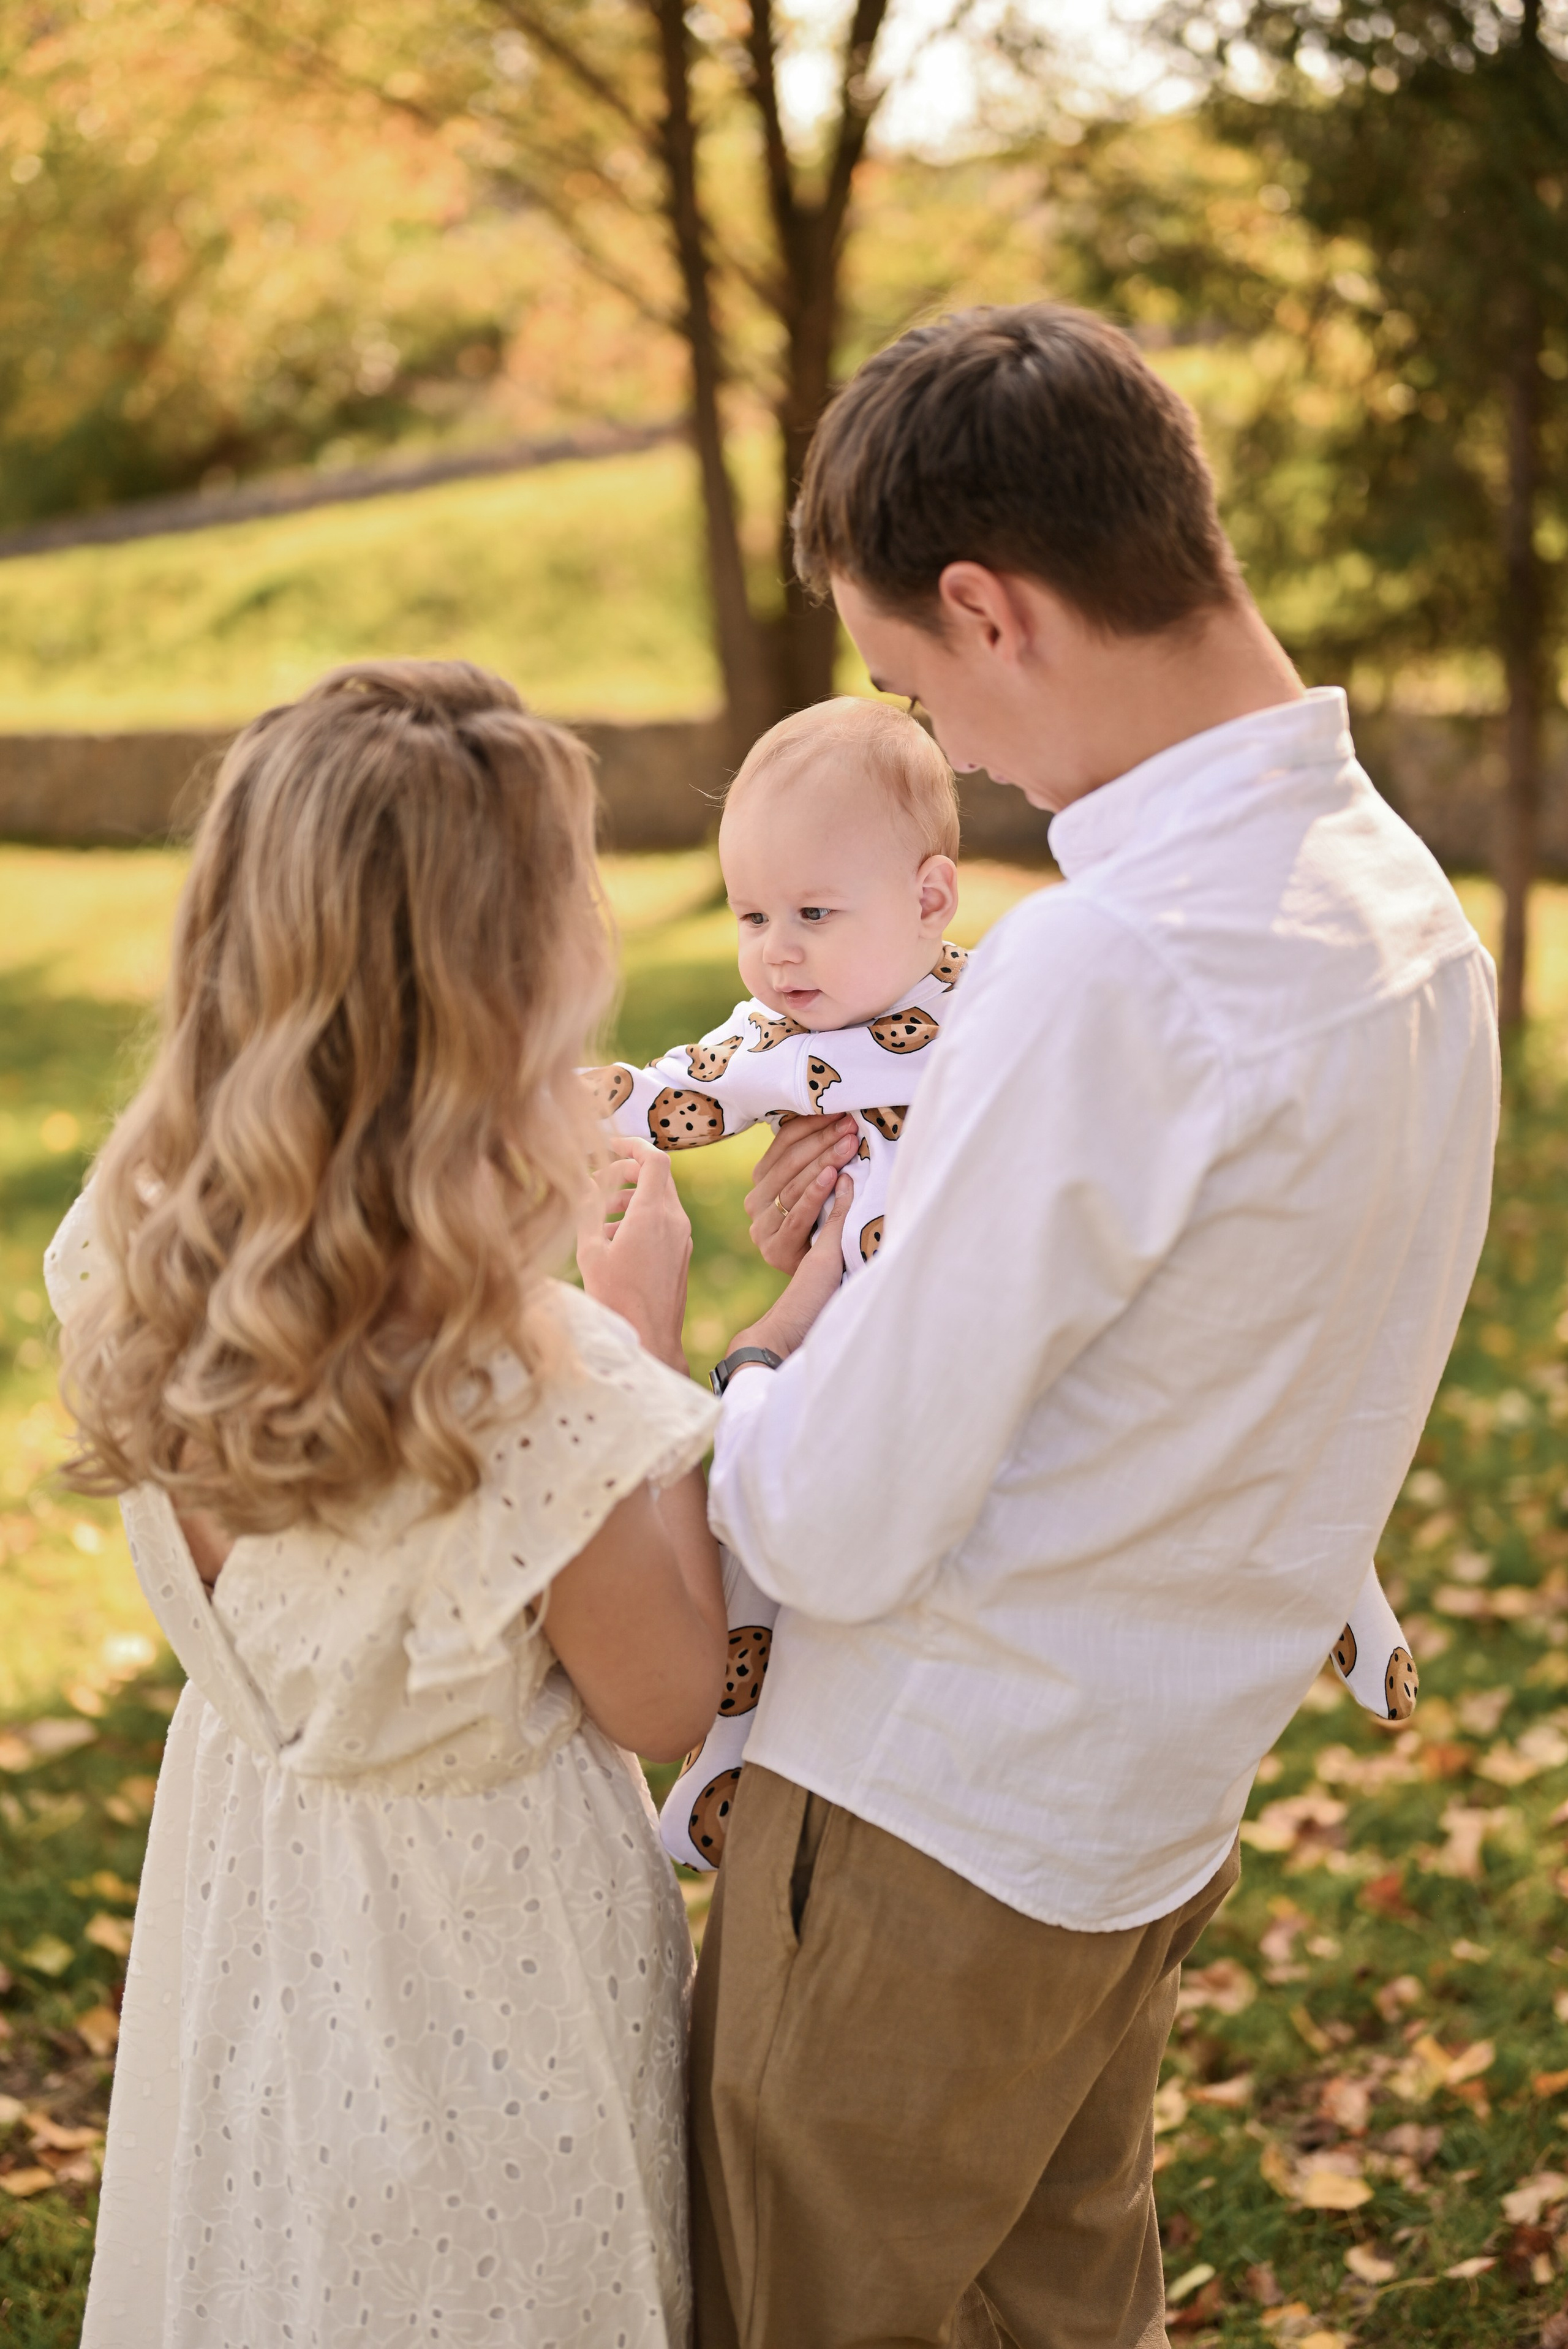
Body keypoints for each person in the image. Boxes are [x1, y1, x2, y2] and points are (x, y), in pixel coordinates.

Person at [612, 304, 1502, 2348]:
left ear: (989, 609)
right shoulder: (1405, 911)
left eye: (915, 681)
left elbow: (832, 1524)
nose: (958, 749)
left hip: (925, 1826)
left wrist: (714, 1353)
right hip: (1141, 1813)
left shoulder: (1107, 967)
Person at [45, 661, 727, 2349]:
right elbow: (666, 1687)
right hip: (483, 1963)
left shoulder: (126, 1255)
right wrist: (648, 1334)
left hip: (248, 1889)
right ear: (510, 992)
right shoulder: (528, 1378)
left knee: (274, 2257)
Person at [587, 694, 1418, 1875]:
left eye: (816, 913)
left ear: (931, 898)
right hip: (875, 1354)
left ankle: (1347, 1592)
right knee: (754, 1583)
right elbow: (666, 1095)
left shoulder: (1006, 1001)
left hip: (1028, 1325)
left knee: (1239, 1413)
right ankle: (721, 1782)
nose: (777, 949)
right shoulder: (776, 1042)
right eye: (751, 914)